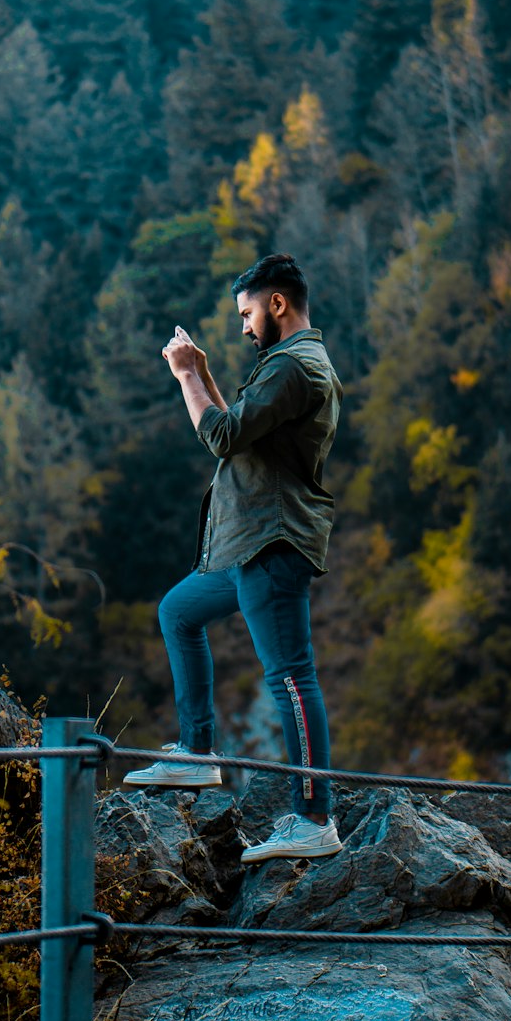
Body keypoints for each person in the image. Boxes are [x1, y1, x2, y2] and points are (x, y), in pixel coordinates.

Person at [123, 253, 344, 863]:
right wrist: (206, 374)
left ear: (277, 304)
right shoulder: (284, 365)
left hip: (272, 544)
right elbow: (239, 431)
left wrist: (185, 376)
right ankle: (198, 756)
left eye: (247, 313)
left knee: (292, 679)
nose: (244, 325)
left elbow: (218, 436)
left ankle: (313, 819)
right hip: (249, 544)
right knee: (178, 612)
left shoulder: (294, 368)